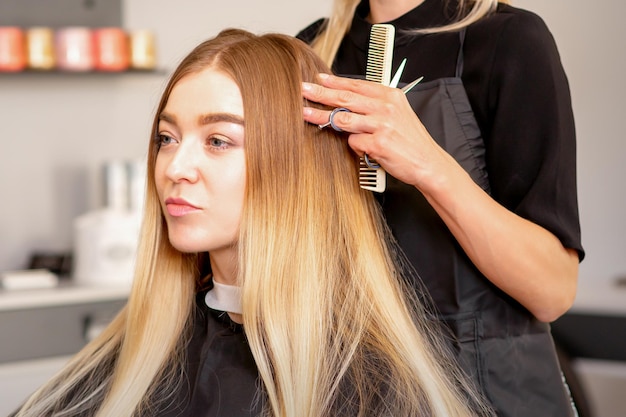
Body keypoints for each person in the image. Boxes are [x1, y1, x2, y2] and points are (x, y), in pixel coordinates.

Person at [13, 29, 494, 417]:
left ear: (297, 166)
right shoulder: (135, 356)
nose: (175, 168)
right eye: (166, 136)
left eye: (218, 140)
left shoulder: (374, 390)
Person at [297, 1, 584, 416]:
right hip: (352, 387)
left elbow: (553, 290)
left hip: (491, 389)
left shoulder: (509, 39)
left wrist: (428, 165)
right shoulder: (314, 50)